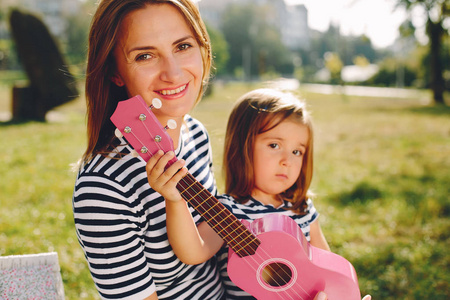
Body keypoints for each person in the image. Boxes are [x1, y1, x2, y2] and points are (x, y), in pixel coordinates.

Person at [149, 88, 371, 299]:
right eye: (274, 145)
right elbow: (193, 252)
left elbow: (328, 270)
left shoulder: (302, 208)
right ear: (243, 147)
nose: (287, 160)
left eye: (297, 151)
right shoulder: (230, 211)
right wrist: (175, 200)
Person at [72, 0, 225, 299]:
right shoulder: (102, 188)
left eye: (182, 46)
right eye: (145, 55)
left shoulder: (195, 133)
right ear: (114, 73)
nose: (173, 72)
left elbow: (213, 243)